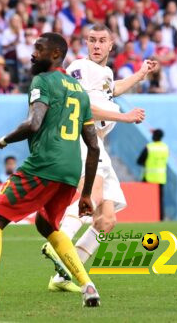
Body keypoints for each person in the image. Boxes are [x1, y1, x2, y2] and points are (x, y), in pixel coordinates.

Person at [0, 32, 101, 311]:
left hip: (45, 165)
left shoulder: (43, 81)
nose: (32, 53)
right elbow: (94, 147)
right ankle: (87, 286)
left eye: (39, 48)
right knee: (46, 224)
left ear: (56, 55)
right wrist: (85, 193)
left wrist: (1, 141)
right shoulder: (78, 91)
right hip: (71, 171)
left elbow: (33, 123)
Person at [43, 24, 157, 293]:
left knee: (106, 219)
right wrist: (125, 117)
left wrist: (141, 74)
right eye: (91, 40)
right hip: (83, 138)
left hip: (99, 143)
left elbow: (110, 89)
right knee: (90, 193)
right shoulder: (80, 67)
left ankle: (64, 275)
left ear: (111, 44)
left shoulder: (104, 72)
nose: (96, 45)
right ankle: (58, 240)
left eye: (101, 41)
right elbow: (82, 105)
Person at [137, 129, 169, 220]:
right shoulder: (165, 147)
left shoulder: (149, 147)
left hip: (149, 178)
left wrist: (146, 164)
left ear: (154, 136)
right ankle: (160, 218)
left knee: (146, 200)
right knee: (160, 200)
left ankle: (146, 217)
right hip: (161, 178)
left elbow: (139, 161)